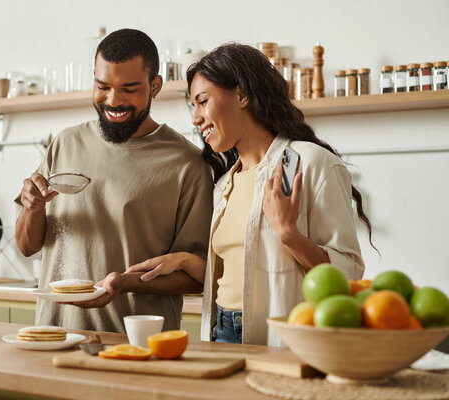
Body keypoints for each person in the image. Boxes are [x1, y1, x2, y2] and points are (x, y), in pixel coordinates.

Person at [128, 43, 371, 346]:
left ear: (242, 95)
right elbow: (247, 270)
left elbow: (347, 276)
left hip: (278, 336)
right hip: (220, 331)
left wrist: (289, 234)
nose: (195, 118)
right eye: (193, 106)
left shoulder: (311, 163)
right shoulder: (224, 184)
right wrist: (186, 262)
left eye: (202, 101)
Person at [15, 29, 213, 333]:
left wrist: (124, 284)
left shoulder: (187, 164)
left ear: (155, 86)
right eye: (102, 86)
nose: (113, 100)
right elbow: (27, 246)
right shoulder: (64, 143)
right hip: (54, 335)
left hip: (139, 344)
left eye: (129, 89)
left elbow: (197, 275)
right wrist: (32, 209)